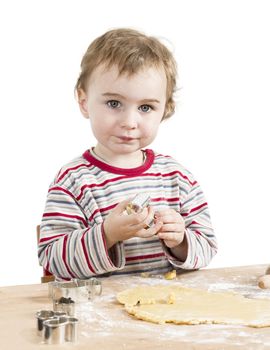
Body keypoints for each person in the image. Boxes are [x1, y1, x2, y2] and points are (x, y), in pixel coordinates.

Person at [38, 28, 217, 280]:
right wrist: (107, 234)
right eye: (114, 103)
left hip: (164, 311)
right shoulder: (72, 181)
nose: (130, 121)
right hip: (97, 313)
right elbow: (53, 259)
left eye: (145, 107)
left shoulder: (177, 177)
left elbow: (207, 246)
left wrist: (181, 240)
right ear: (83, 101)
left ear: (164, 110)